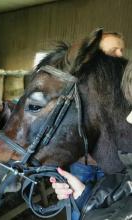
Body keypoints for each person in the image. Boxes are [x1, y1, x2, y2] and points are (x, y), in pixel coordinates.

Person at [50, 62, 132, 220]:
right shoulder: (77, 97)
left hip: (109, 163)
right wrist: (85, 196)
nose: (128, 119)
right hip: (83, 162)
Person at [69, 31, 125, 220]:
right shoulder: (79, 84)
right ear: (95, 54)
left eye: (121, 50)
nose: (119, 55)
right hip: (82, 161)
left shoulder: (123, 85)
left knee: (110, 207)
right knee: (77, 206)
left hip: (112, 162)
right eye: (113, 50)